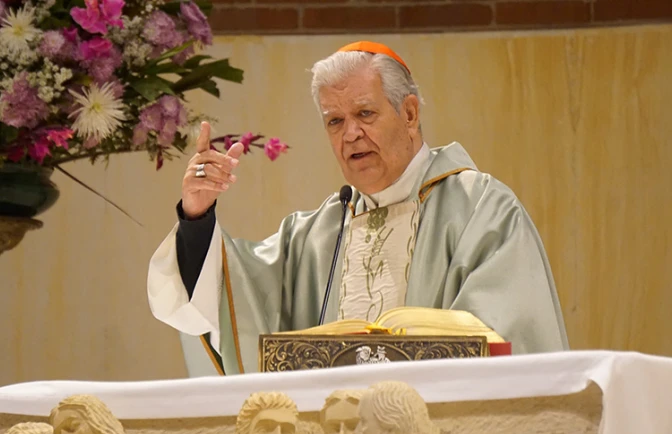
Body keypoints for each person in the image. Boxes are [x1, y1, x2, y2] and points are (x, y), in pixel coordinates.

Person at [147, 40, 569, 375]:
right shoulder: (313, 237)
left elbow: (507, 343)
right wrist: (197, 217)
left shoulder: (480, 209)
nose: (350, 134)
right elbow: (230, 299)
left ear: (409, 114)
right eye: (335, 121)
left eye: (365, 113)